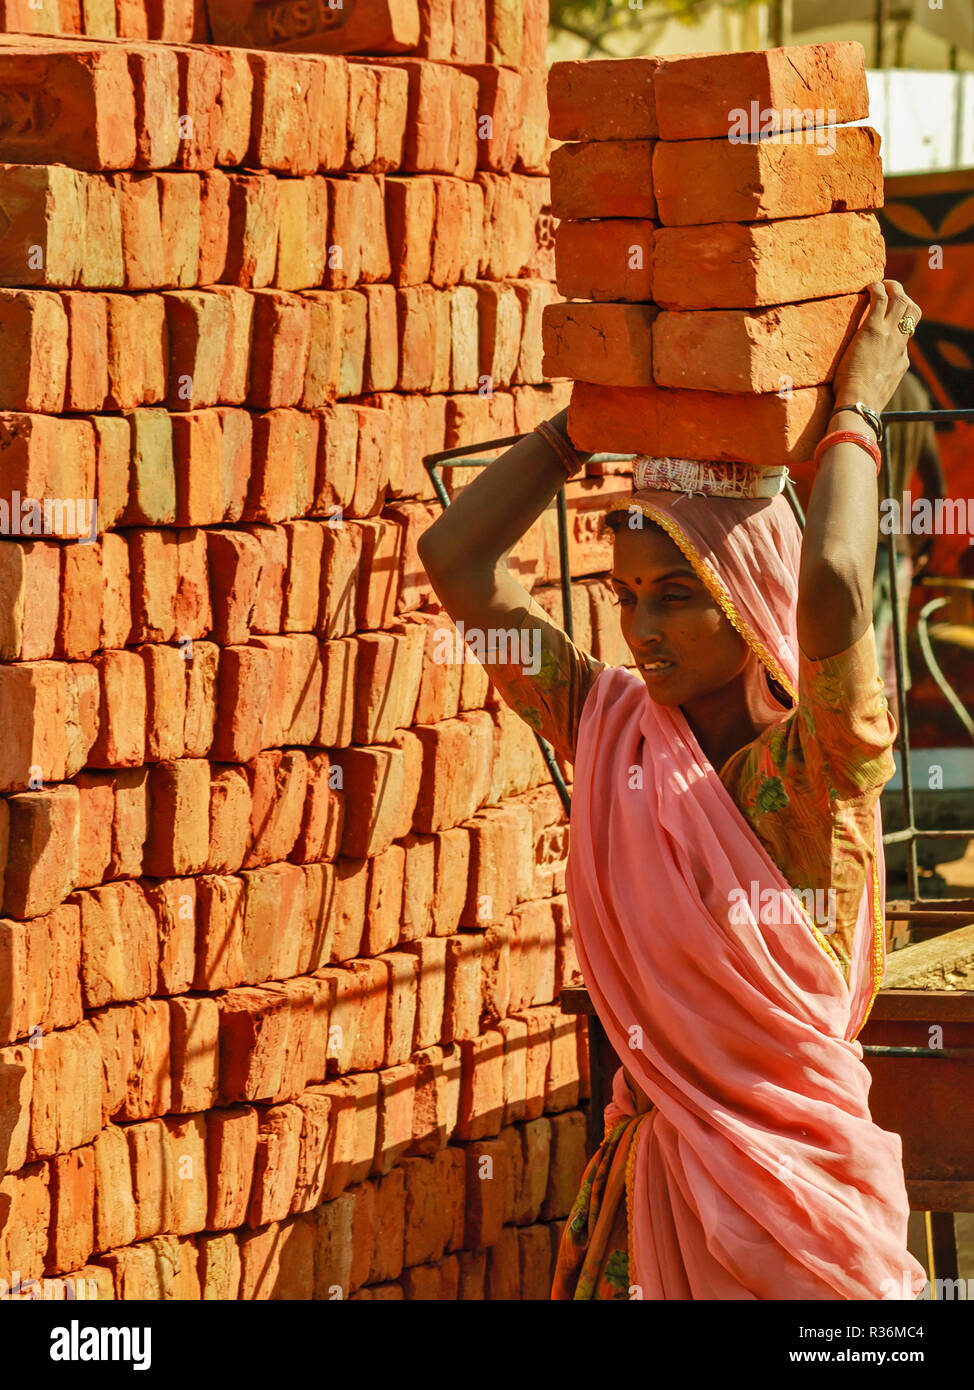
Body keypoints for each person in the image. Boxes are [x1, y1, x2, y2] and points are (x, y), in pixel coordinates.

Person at [417, 280, 929, 1301]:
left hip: (797, 1218)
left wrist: (855, 412)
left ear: (748, 599)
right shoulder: (607, 728)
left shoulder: (816, 762)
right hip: (646, 1208)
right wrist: (582, 427)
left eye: (676, 595)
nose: (639, 629)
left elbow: (828, 575)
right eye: (624, 595)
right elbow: (455, 559)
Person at [872, 369, 945, 719]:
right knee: (889, 664)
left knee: (861, 664)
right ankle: (893, 764)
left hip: (861, 546)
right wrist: (912, 543)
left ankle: (866, 766)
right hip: (895, 549)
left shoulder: (866, 385)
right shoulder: (916, 391)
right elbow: (937, 489)